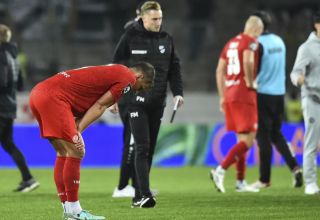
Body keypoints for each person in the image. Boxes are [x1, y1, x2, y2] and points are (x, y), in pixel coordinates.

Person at [29, 63, 155, 219]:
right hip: (54, 97)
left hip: (38, 93)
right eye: (144, 85)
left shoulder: (119, 69)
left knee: (63, 152)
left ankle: (68, 210)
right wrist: (79, 129)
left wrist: (113, 100)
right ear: (140, 76)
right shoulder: (128, 79)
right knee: (77, 151)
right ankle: (75, 211)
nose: (141, 90)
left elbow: (95, 83)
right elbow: (100, 105)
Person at [112, 1, 184, 208]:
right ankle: (143, 193)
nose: (158, 22)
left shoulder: (167, 39)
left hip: (157, 102)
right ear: (142, 18)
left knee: (149, 149)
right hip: (134, 102)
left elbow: (174, 68)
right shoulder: (130, 37)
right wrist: (113, 97)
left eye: (160, 18)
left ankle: (138, 194)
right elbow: (115, 67)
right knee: (141, 147)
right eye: (154, 19)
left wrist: (178, 93)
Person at [248, 11, 302, 190]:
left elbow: (254, 68)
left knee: (263, 137)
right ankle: (295, 168)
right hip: (280, 94)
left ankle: (264, 179)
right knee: (276, 135)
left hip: (263, 94)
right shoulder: (279, 41)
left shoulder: (257, 44)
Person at [210, 16, 264, 193]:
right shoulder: (251, 42)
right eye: (260, 33)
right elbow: (248, 60)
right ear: (256, 29)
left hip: (230, 94)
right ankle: (221, 170)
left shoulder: (231, 43)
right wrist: (250, 82)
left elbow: (219, 70)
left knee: (241, 139)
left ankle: (240, 182)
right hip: (244, 94)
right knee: (249, 140)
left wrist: (222, 96)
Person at [0, 24, 40, 192]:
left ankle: (28, 178)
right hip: (9, 104)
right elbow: (21, 83)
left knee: (9, 143)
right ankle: (28, 179)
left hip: (0, 106)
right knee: (8, 144)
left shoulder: (1, 54)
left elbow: (1, 81)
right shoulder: (14, 55)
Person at [290, 10, 320, 195]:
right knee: (311, 143)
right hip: (313, 100)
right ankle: (310, 183)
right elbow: (294, 73)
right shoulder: (307, 48)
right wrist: (298, 79)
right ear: (317, 25)